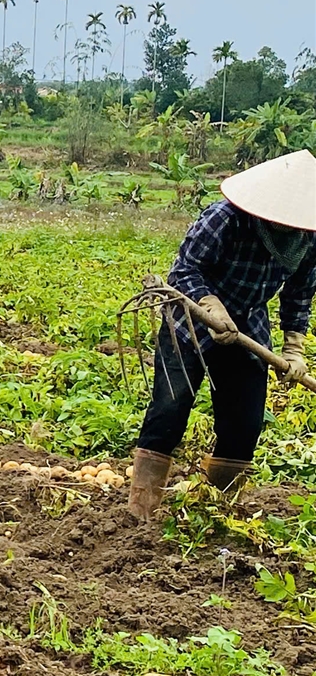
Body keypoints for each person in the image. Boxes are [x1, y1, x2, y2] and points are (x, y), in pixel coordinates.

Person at [128, 149, 315, 522]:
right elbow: (186, 269)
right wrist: (211, 305)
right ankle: (142, 510)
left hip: (249, 326)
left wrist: (294, 348)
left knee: (244, 422)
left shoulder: (309, 239)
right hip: (190, 322)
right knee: (171, 407)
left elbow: (299, 294)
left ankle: (214, 509)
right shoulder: (225, 218)